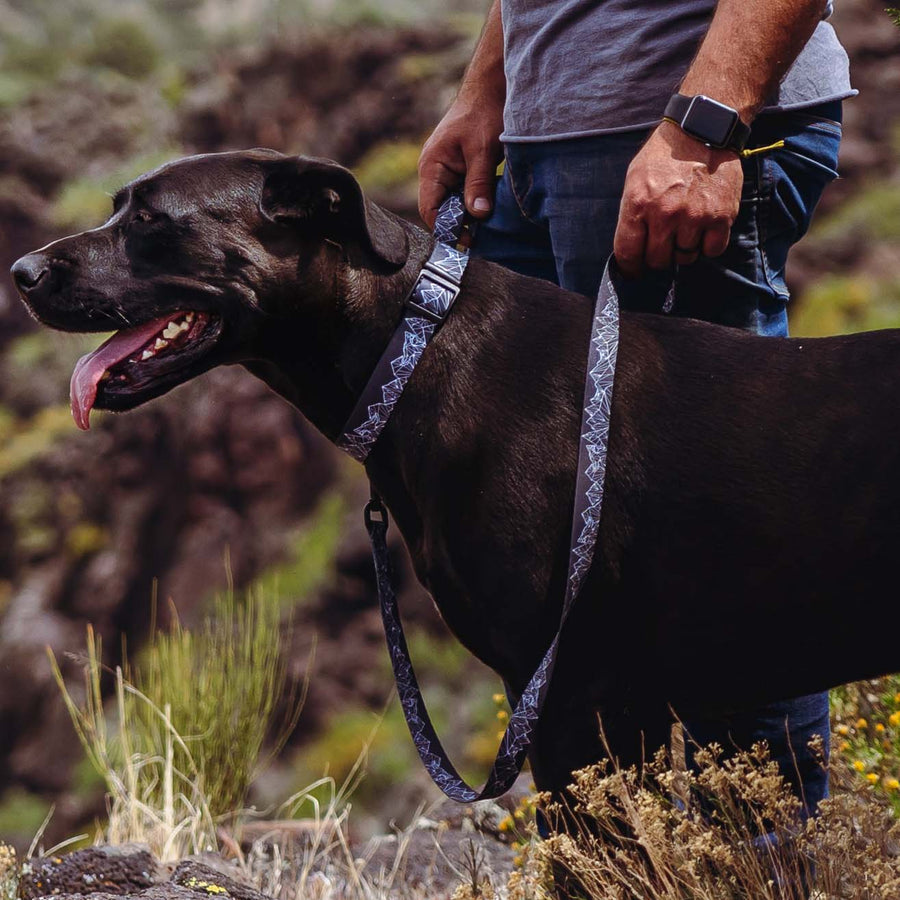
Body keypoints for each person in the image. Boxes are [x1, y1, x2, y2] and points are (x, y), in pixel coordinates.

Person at [418, 0, 855, 814]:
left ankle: (767, 854)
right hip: (543, 141)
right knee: (563, 544)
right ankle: (633, 862)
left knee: (719, 519)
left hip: (675, 129)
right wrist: (489, 90)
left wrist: (705, 127)